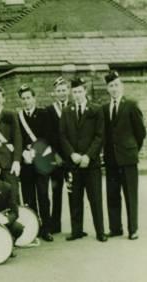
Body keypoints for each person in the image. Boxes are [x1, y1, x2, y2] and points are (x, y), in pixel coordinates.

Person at [60, 77, 107, 242]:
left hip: (90, 163)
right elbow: (62, 136)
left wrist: (88, 155)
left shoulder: (96, 110)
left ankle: (100, 231)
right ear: (71, 93)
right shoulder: (67, 111)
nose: (77, 94)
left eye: (80, 91)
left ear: (85, 91)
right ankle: (77, 231)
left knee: (95, 198)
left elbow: (100, 136)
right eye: (75, 92)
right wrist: (72, 154)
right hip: (73, 163)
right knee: (75, 198)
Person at [102, 71, 146, 240]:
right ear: (107, 88)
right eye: (111, 86)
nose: (114, 89)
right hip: (111, 158)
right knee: (112, 194)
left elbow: (140, 132)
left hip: (128, 158)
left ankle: (133, 229)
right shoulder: (105, 109)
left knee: (130, 195)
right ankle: (115, 228)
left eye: (116, 85)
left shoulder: (131, 105)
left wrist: (132, 149)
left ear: (122, 86)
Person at [16, 84, 53, 241]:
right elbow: (17, 137)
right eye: (23, 98)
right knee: (28, 196)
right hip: (26, 163)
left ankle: (46, 228)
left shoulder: (44, 114)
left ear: (34, 98)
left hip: (41, 160)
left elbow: (48, 136)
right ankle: (34, 226)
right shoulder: (18, 117)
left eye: (29, 98)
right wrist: (24, 151)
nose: (26, 101)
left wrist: (35, 151)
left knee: (43, 195)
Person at [45, 76, 70, 234]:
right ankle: (55, 224)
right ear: (55, 93)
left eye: (63, 90)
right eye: (58, 90)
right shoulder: (49, 110)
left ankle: (76, 225)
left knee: (74, 191)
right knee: (56, 191)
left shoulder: (73, 107)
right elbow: (47, 136)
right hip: (56, 158)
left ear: (68, 91)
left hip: (71, 156)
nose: (61, 93)